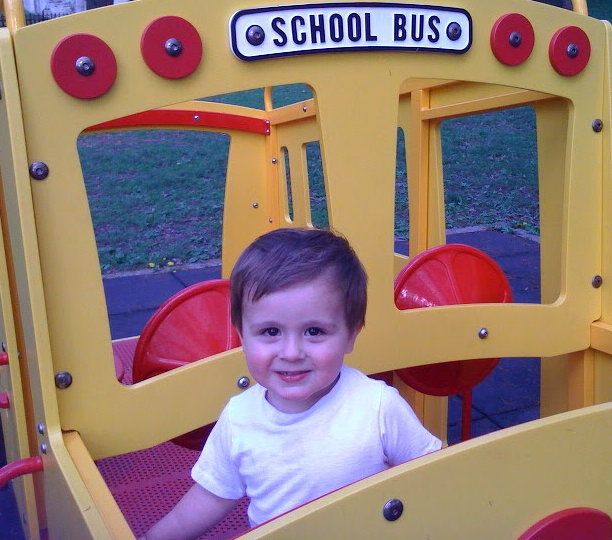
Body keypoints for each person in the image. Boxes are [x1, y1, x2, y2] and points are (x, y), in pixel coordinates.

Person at [143, 228, 441, 539]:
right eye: (270, 332)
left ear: (351, 334)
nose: (291, 353)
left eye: (314, 331)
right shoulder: (239, 418)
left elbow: (437, 477)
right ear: (242, 336)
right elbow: (210, 497)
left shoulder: (377, 407)